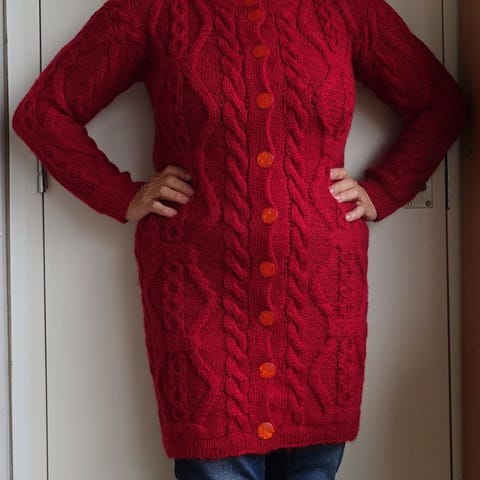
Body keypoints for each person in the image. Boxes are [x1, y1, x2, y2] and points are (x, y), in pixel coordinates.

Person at [12, 0, 465, 478]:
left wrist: (384, 190)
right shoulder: (152, 9)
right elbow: (43, 113)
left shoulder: (347, 8)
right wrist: (121, 196)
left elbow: (440, 104)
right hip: (200, 300)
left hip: (320, 300)